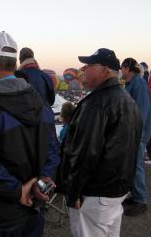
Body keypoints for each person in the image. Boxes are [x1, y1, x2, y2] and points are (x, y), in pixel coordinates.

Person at [0, 31, 60, 237]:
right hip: (33, 211)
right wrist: (43, 180)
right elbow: (52, 147)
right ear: (14, 63)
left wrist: (17, 190)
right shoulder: (39, 102)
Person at [60, 49, 142, 237]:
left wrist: (73, 192)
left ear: (104, 70)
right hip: (117, 191)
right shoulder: (127, 100)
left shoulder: (97, 103)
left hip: (95, 194)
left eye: (88, 66)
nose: (83, 70)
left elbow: (85, 152)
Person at [121, 58, 151, 216]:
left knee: (136, 165)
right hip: (134, 132)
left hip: (137, 133)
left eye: (122, 69)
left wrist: (135, 134)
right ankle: (136, 195)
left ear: (127, 68)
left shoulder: (139, 84)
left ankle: (141, 200)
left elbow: (142, 111)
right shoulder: (132, 84)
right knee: (133, 165)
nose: (121, 72)